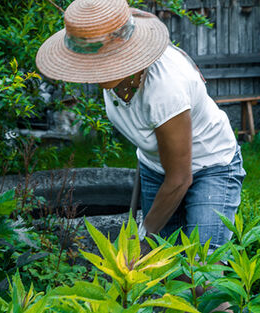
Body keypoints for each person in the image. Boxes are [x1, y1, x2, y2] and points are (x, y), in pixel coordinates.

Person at [36, 0, 245, 259]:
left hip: (210, 165)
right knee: (165, 265)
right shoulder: (113, 72)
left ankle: (220, 302)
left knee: (201, 270)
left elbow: (180, 178)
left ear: (125, 52)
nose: (90, 71)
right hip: (155, 167)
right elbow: (134, 17)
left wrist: (143, 236)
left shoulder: (165, 89)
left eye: (98, 61)